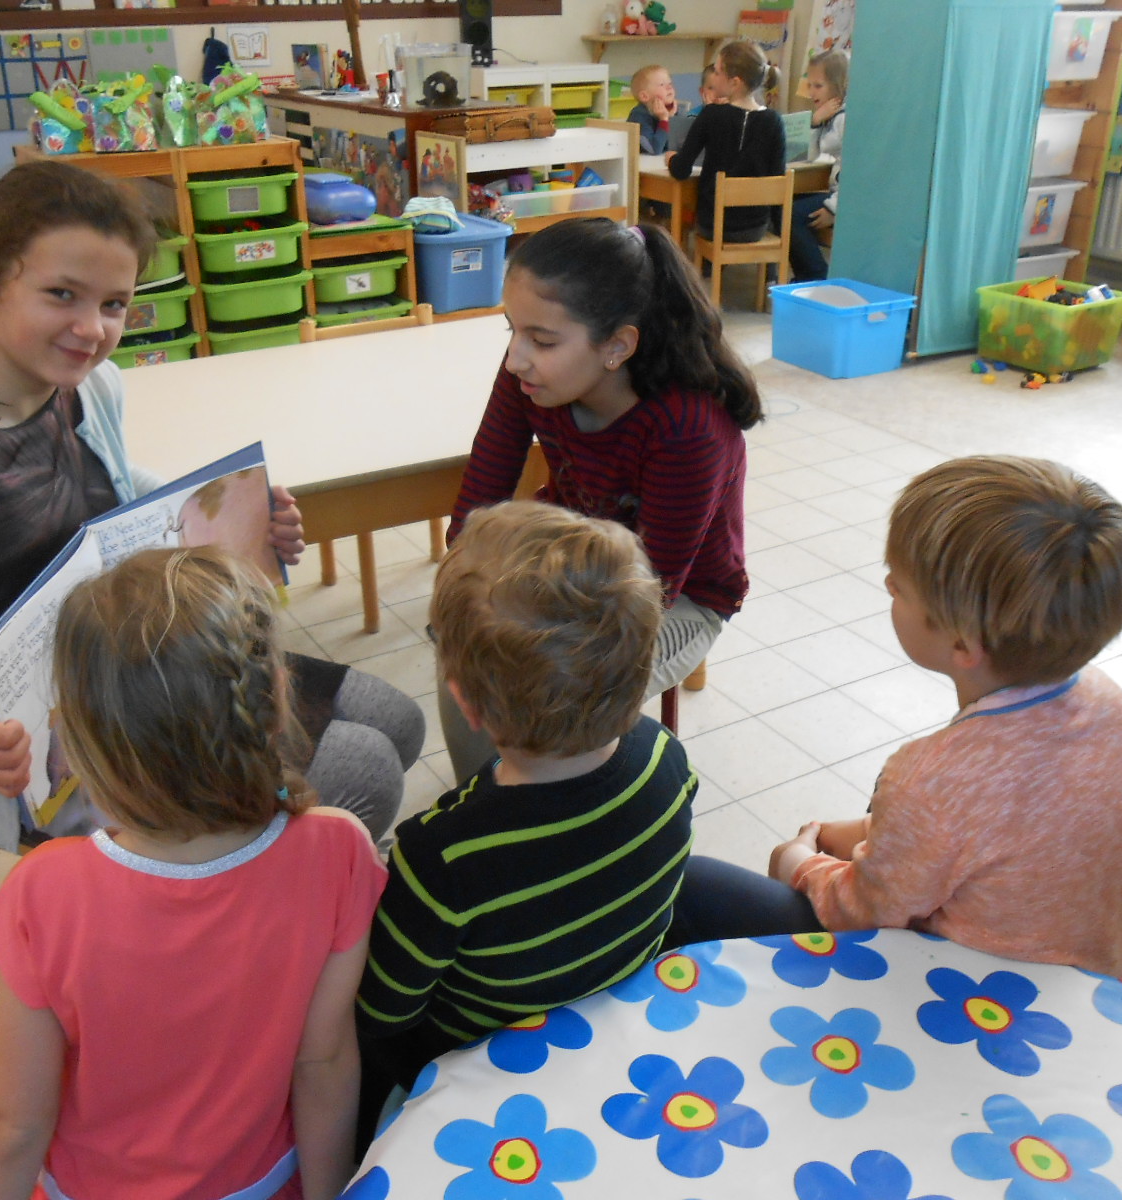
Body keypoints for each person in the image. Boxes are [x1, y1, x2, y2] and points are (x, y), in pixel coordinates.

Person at [0, 159, 423, 853]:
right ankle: (246, 926)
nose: (91, 329)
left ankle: (282, 890)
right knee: (365, 778)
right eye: (62, 294)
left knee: (398, 720)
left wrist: (226, 510)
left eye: (114, 304)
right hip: (62, 745)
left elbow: (109, 492)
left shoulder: (90, 386)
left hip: (149, 667)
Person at [0, 547, 385, 1200]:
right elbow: (325, 1063)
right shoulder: (340, 851)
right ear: (277, 702)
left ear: (78, 746)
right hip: (261, 1184)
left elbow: (15, 1123)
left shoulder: (43, 894)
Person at [668, 457, 1122, 983]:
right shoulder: (1110, 705)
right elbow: (1003, 827)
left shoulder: (930, 777)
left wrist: (799, 863)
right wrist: (872, 830)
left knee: (695, 886)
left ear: (962, 644)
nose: (886, 583)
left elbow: (861, 913)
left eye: (899, 586)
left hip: (973, 999)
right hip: (1090, 977)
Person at [356, 501, 695, 1140]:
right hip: (615, 1003)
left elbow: (383, 1010)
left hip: (489, 1062)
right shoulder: (663, 757)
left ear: (465, 702)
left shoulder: (441, 854)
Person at [439, 217, 760, 781]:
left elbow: (651, 591)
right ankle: (492, 812)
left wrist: (534, 632)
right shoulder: (531, 376)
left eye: (541, 340)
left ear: (617, 346)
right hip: (574, 567)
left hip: (675, 600)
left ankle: (557, 824)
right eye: (511, 330)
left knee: (541, 694)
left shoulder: (687, 427)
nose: (516, 358)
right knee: (466, 663)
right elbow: (484, 486)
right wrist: (464, 595)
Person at [666, 38, 785, 246]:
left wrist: (671, 159)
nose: (714, 76)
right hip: (755, 227)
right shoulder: (774, 121)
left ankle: (706, 270)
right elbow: (778, 179)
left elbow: (681, 170)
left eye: (718, 72)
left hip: (713, 225)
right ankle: (770, 276)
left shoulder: (711, 115)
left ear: (735, 82)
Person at [790, 49, 849, 282]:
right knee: (783, 207)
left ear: (837, 85)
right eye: (810, 84)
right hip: (836, 192)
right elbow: (812, 155)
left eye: (818, 86)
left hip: (843, 199)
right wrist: (814, 122)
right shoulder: (829, 115)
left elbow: (855, 175)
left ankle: (815, 275)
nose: (811, 92)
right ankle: (807, 274)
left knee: (792, 214)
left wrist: (834, 208)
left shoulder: (845, 118)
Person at [626, 63, 677, 156]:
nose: (669, 87)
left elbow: (678, 145)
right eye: (662, 84)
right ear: (644, 96)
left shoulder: (670, 110)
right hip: (641, 165)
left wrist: (671, 118)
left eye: (670, 83)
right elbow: (654, 149)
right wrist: (664, 120)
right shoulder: (639, 115)